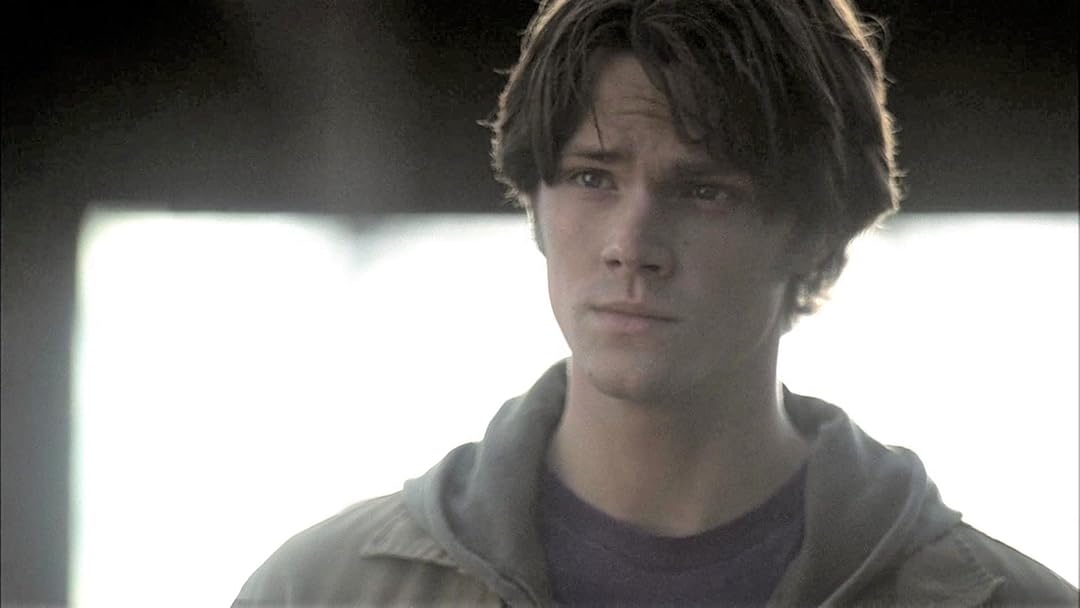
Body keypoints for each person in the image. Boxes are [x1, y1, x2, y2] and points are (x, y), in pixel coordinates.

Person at [234, 0, 1078, 605]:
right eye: (591, 178)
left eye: (704, 190)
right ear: (535, 206)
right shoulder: (321, 590)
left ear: (812, 233)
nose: (631, 242)